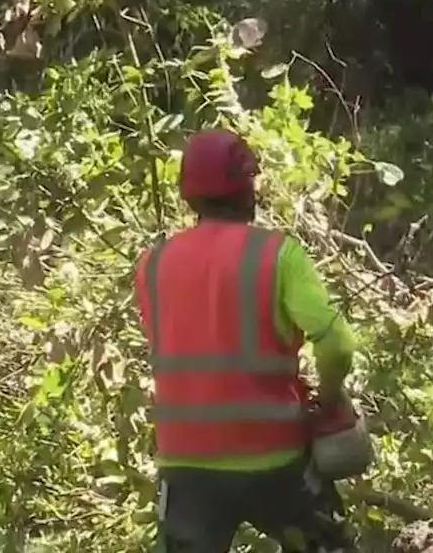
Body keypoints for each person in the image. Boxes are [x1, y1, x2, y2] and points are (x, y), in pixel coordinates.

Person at [134, 128, 359, 552]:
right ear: (246, 187)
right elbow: (338, 345)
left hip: (186, 468)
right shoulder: (278, 255)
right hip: (275, 464)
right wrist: (330, 400)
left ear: (189, 194)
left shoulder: (152, 264)